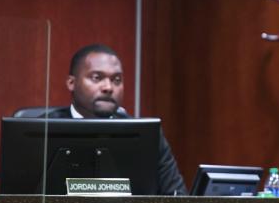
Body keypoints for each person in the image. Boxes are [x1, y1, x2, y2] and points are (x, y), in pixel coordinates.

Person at [45, 43, 187, 195]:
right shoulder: (43, 129)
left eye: (116, 80)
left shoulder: (147, 135)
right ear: (71, 83)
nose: (108, 87)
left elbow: (177, 198)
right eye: (97, 77)